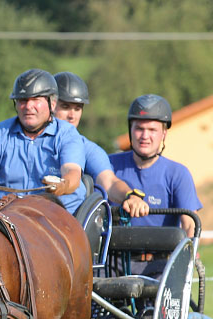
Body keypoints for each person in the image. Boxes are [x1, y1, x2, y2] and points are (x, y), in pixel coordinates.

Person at [0, 68, 86, 213]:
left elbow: (72, 173)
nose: (28, 106)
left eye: (35, 99)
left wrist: (63, 185)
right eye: (23, 100)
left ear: (53, 103)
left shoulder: (68, 134)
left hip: (57, 215)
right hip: (8, 218)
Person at [53, 72, 149, 218]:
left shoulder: (89, 149)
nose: (72, 115)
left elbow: (109, 182)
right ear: (50, 106)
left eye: (77, 108)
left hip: (67, 225)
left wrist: (130, 196)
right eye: (65, 107)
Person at [108, 94, 201, 236]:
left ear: (164, 134)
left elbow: (189, 224)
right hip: (115, 256)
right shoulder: (108, 166)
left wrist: (189, 253)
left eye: (152, 130)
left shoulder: (177, 174)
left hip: (163, 257)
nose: (145, 136)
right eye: (139, 128)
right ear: (130, 131)